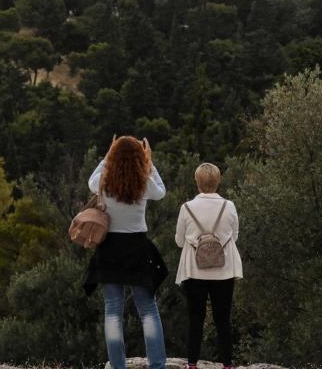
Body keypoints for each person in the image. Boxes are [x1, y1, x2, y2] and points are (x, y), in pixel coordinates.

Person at [83, 136, 168, 369]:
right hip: (137, 248)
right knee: (148, 309)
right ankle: (157, 365)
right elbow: (161, 192)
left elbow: (91, 180)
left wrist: (107, 155)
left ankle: (118, 366)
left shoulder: (103, 181)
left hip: (109, 248)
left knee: (112, 310)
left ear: (113, 157)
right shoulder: (144, 181)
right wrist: (149, 163)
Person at [175, 163, 242, 369]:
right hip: (224, 271)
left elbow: (179, 241)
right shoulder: (229, 206)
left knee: (195, 318)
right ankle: (227, 365)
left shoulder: (186, 208)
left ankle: (192, 364)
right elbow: (235, 236)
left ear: (197, 182)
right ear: (218, 181)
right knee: (223, 319)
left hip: (194, 271)